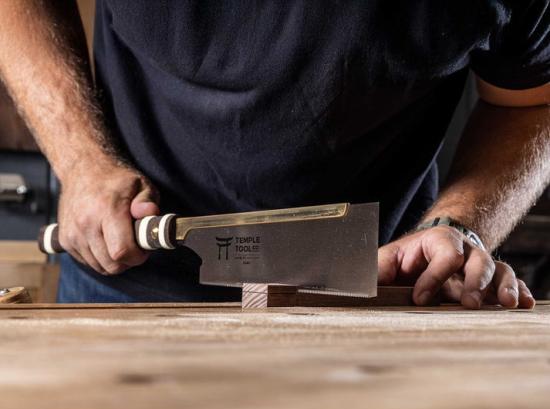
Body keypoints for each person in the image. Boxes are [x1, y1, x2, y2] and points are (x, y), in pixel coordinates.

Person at [0, 1, 548, 307]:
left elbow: (532, 101)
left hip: (381, 290)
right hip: (129, 275)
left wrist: (458, 224)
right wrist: (82, 162)